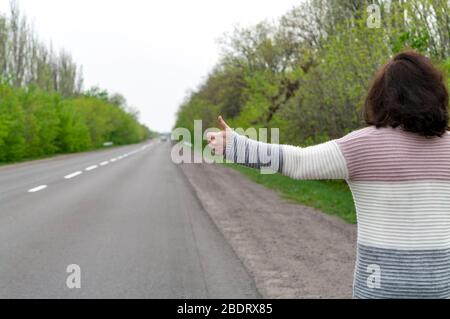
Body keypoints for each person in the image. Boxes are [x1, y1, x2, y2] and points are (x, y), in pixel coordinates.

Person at [207, 50, 450, 299]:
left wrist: (236, 146)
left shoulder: (361, 146)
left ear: (381, 97)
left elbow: (298, 162)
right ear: (434, 94)